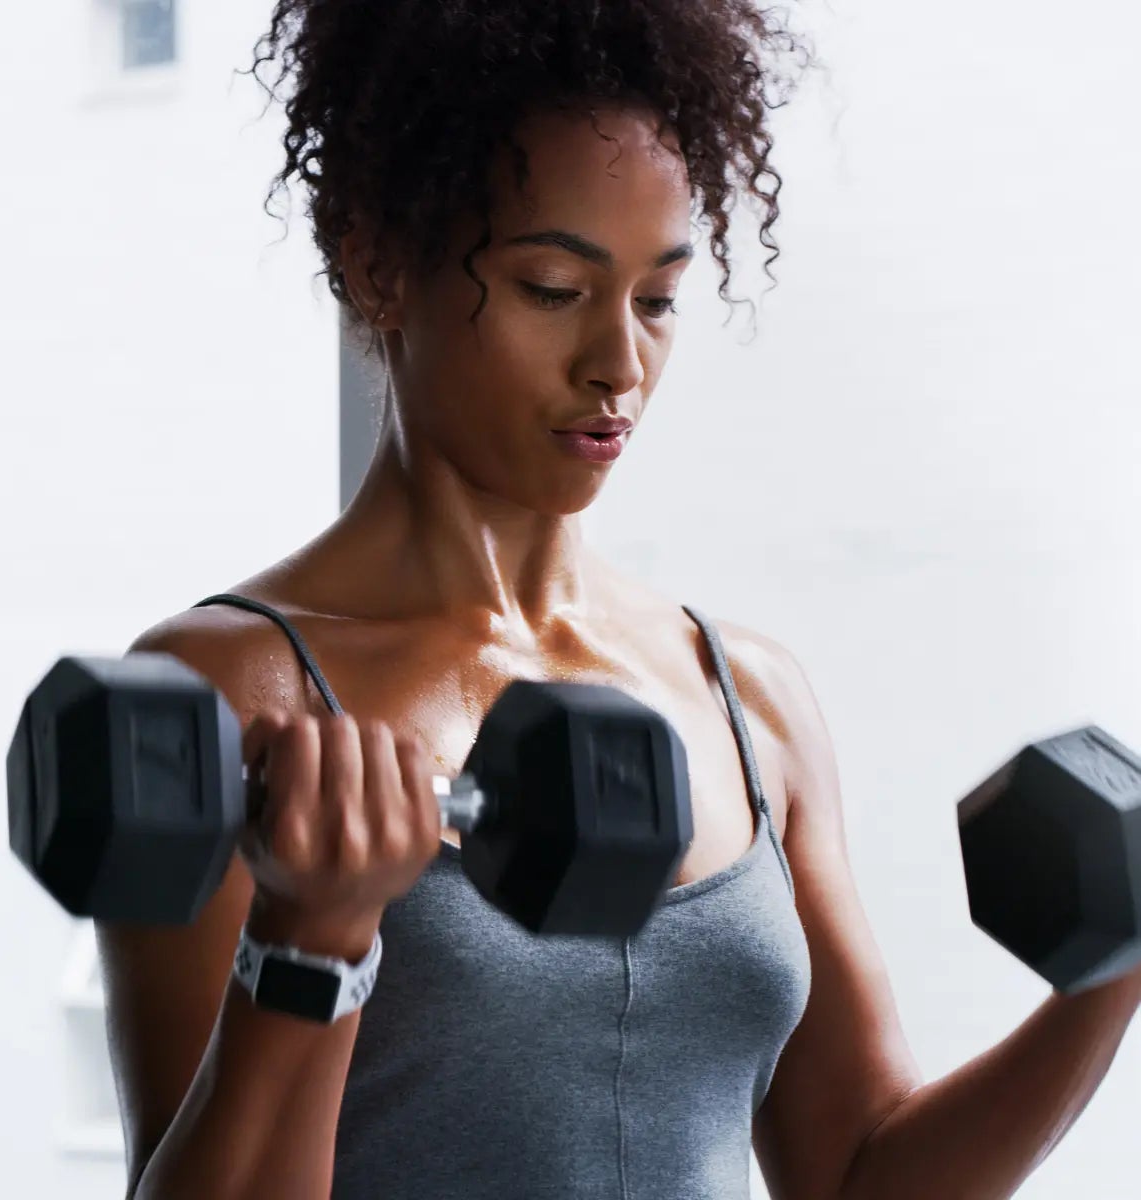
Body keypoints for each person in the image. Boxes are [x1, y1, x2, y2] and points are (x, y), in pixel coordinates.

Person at [97, 3, 1141, 1197]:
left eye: (656, 301)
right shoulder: (229, 697)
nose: (619, 366)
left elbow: (857, 1171)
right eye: (552, 287)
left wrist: (1112, 974)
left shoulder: (746, 696)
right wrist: (310, 945)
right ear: (380, 260)